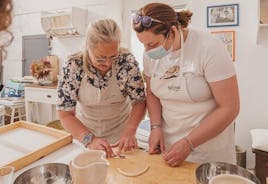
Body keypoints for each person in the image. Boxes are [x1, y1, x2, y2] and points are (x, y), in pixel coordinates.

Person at [132, 3, 240, 166]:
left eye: (152, 44)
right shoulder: (150, 56)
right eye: (143, 45)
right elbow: (152, 94)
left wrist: (189, 142)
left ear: (173, 31)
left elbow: (229, 108)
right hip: (169, 148)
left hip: (208, 150)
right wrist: (155, 127)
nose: (147, 51)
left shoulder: (209, 48)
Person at [57, 19, 146, 158]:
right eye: (100, 58)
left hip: (122, 136)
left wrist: (130, 130)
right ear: (88, 47)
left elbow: (139, 102)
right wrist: (89, 139)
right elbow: (65, 114)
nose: (108, 63)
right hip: (84, 135)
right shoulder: (74, 66)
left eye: (113, 56)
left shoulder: (126, 63)